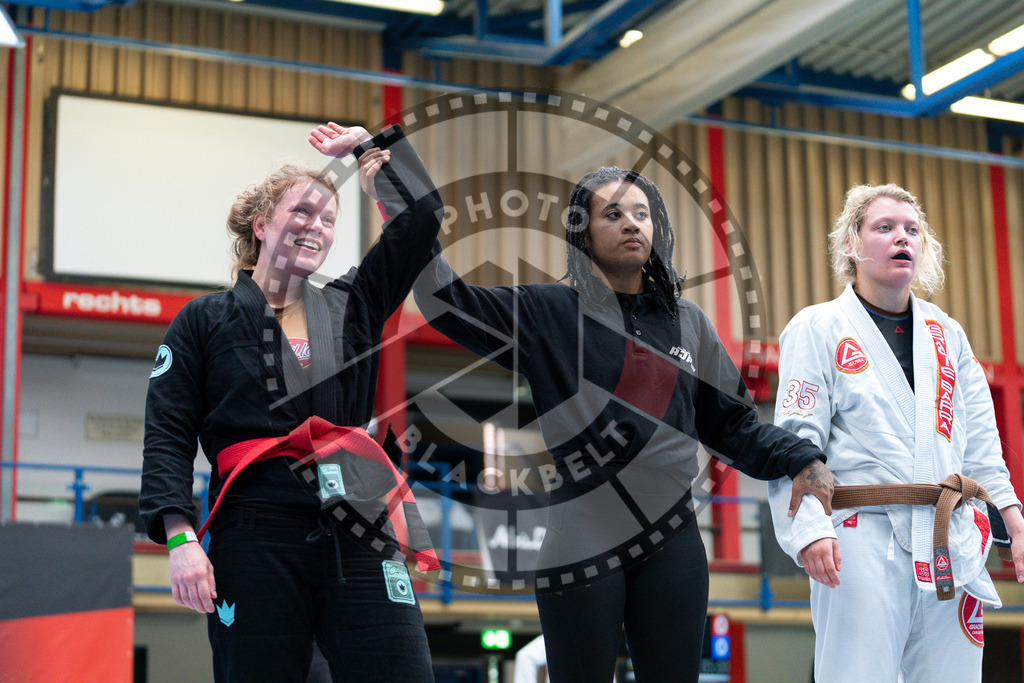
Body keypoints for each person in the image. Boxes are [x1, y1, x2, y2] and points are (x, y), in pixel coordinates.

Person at [389, 161, 834, 683]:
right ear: (583, 232)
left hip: (672, 535)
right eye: (614, 213)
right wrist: (406, 203)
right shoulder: (549, 312)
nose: (631, 224)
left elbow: (734, 427)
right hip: (583, 532)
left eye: (642, 214)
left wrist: (802, 457)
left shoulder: (689, 324)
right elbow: (446, 302)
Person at [139, 122, 443, 682]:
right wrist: (182, 538)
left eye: (329, 219)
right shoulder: (204, 321)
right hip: (256, 527)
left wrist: (369, 148)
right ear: (260, 226)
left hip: (358, 521)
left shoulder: (353, 303)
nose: (317, 227)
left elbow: (423, 219)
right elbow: (167, 435)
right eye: (302, 213)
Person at [768, 184, 1024, 682]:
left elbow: (982, 446)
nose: (900, 238)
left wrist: (1013, 522)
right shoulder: (818, 327)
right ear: (851, 244)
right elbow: (798, 438)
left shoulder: (947, 333)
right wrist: (810, 528)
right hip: (862, 531)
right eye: (883, 228)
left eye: (911, 229)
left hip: (951, 533)